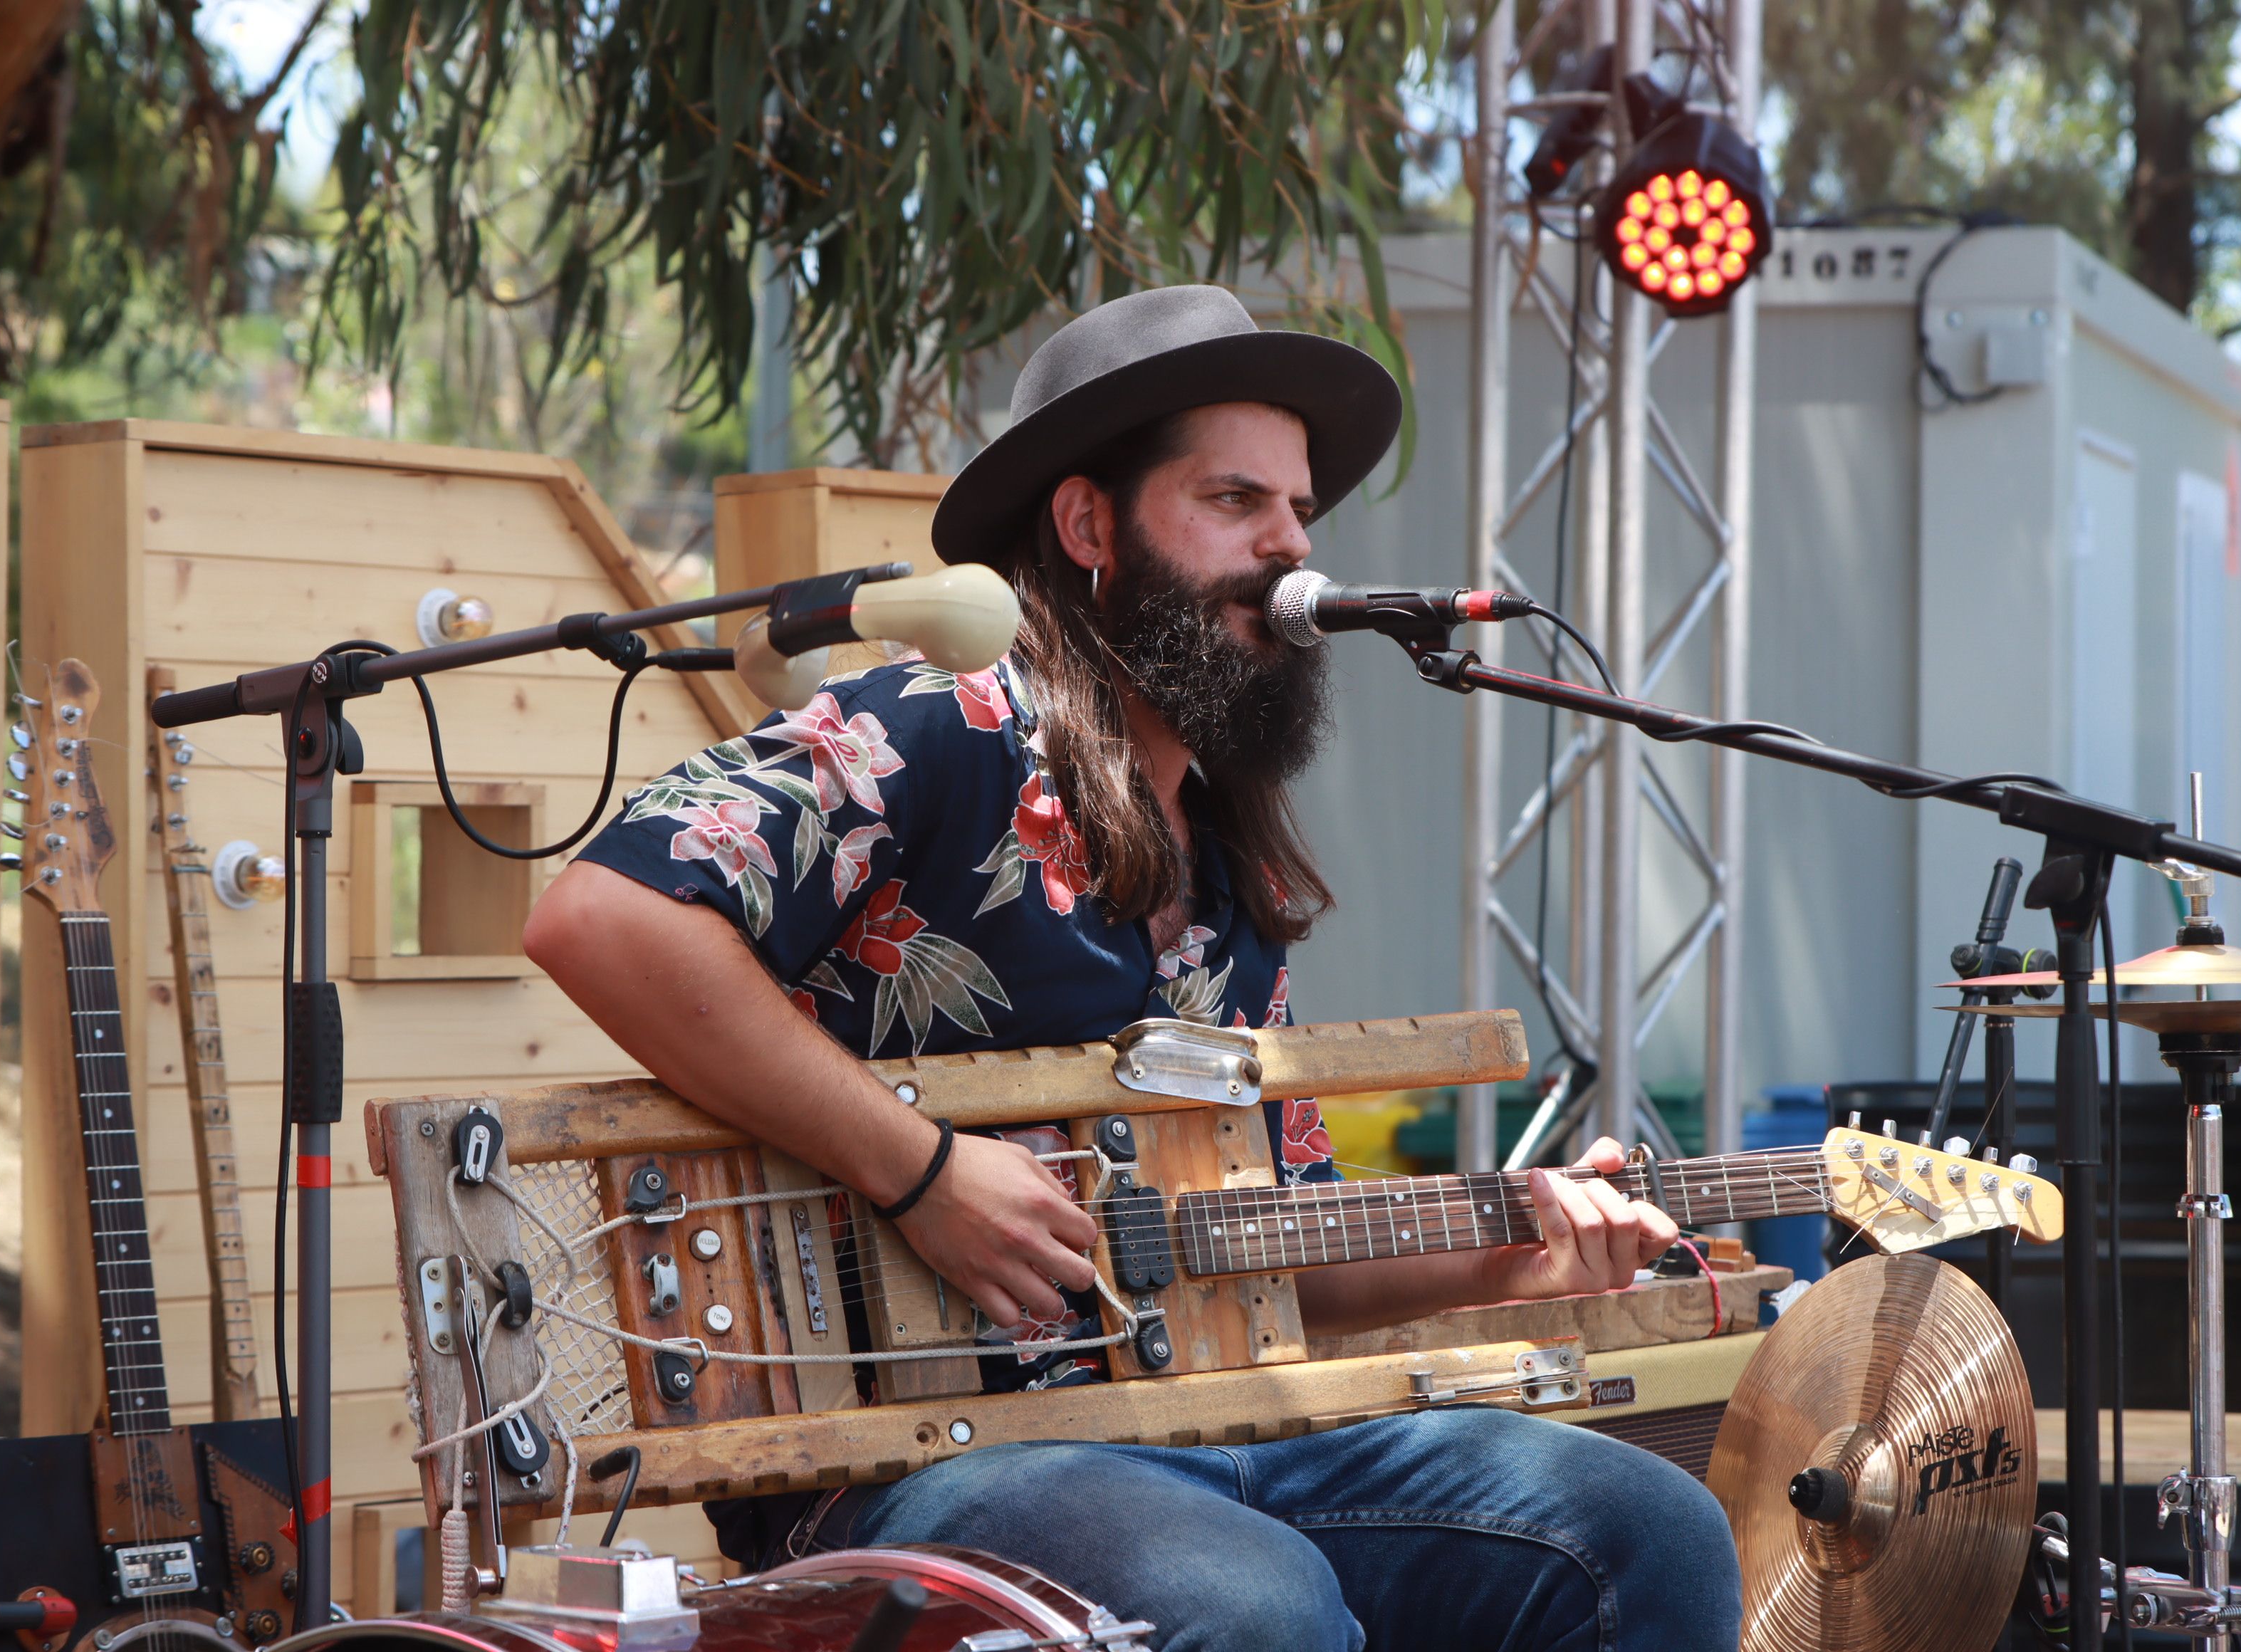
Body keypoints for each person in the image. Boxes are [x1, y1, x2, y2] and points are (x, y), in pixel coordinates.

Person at [524, 284, 1743, 1651]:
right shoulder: (941, 717)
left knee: (1647, 1537)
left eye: (1300, 515)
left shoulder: (1231, 858)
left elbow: (1281, 1249)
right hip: (916, 1458)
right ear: (1090, 525)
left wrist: (1510, 1258)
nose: (1293, 556)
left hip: (1210, 1434)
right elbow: (603, 921)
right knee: (1257, 1608)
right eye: (1236, 502)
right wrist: (917, 1171)